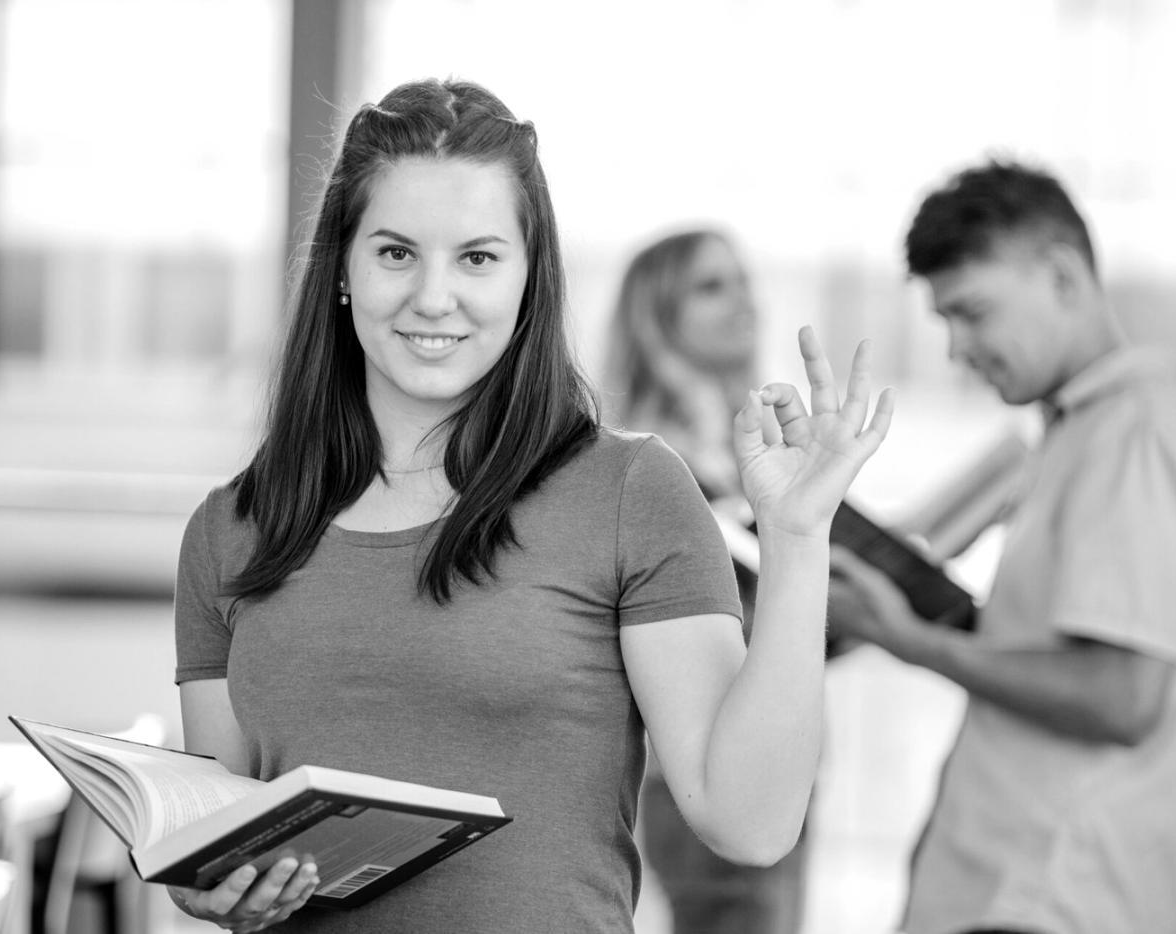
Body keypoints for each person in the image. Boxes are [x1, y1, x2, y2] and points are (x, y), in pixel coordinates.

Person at [167, 77, 894, 934]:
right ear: (343, 270)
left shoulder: (629, 494)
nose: (434, 297)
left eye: (477, 257)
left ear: (527, 280)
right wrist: (206, 884)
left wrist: (798, 538)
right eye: (396, 253)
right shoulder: (231, 529)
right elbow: (226, 835)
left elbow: (751, 823)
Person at [831, 159, 1176, 934]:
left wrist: (909, 639)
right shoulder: (1080, 432)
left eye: (973, 312)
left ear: (1061, 275)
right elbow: (1071, 659)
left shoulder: (1136, 432)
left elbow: (1120, 695)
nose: (958, 350)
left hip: (1057, 901)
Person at [602, 228, 869, 934]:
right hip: (706, 771)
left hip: (780, 758)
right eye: (710, 286)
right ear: (656, 314)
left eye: (742, 280)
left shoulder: (751, 441)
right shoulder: (648, 460)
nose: (742, 301)